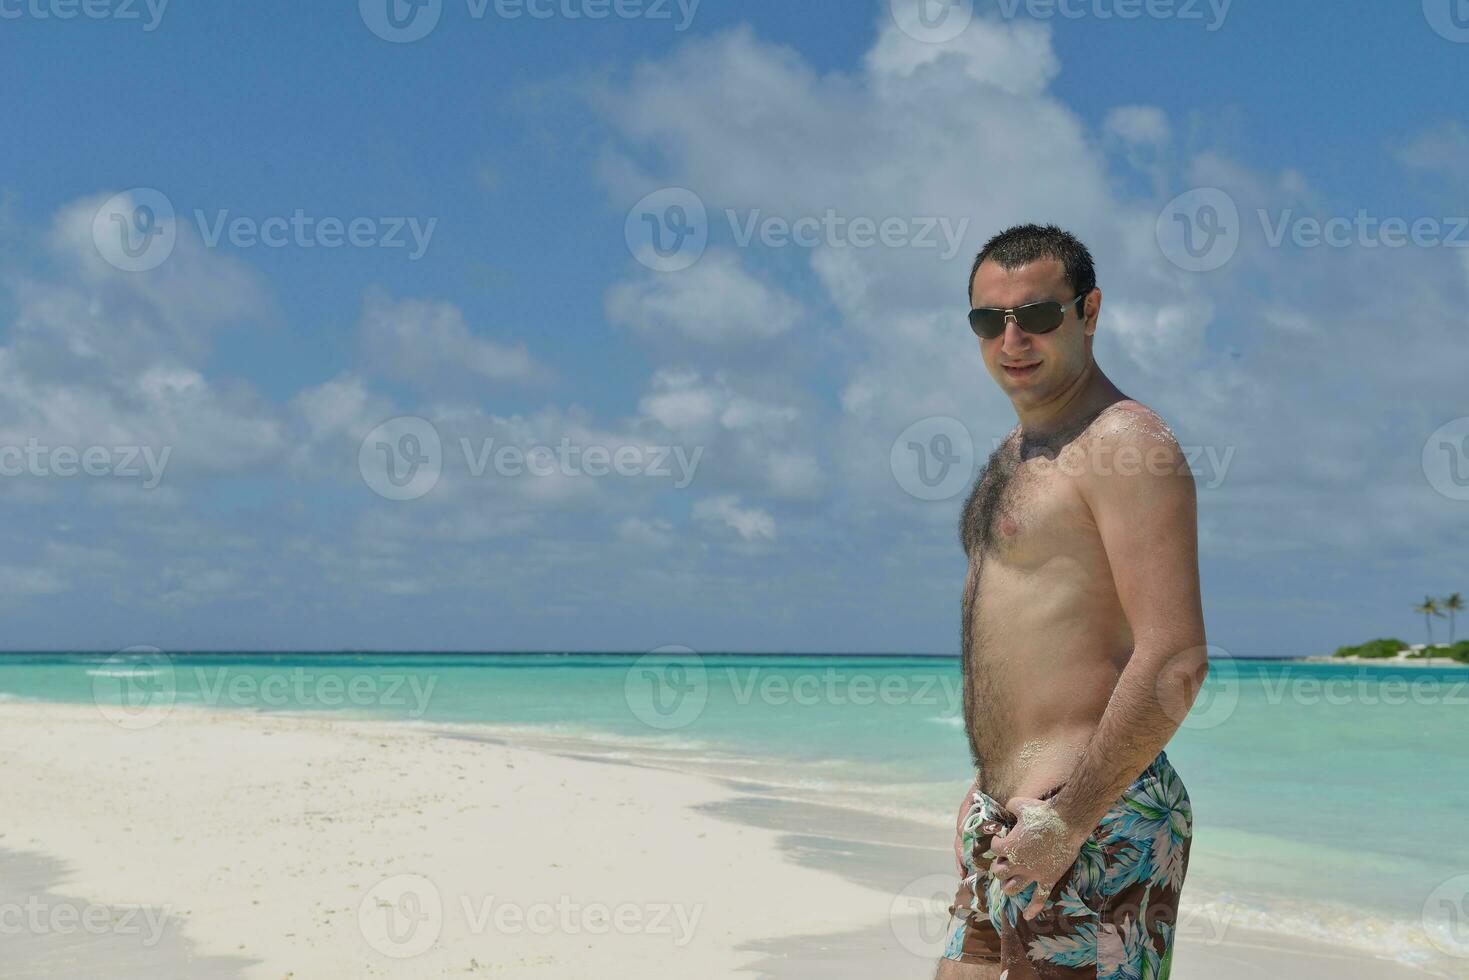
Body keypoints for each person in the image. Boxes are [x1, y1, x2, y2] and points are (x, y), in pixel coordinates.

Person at [937, 224, 1209, 979]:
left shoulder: (1125, 445)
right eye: (989, 321)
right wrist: (986, 792)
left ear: (1088, 312)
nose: (1011, 338)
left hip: (1092, 817)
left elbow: (1176, 660)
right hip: (1006, 824)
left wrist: (1069, 817)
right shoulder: (1013, 455)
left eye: (1038, 315)